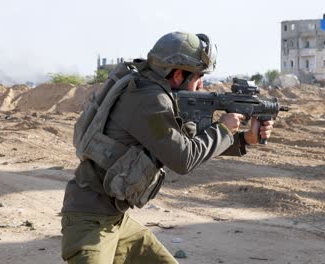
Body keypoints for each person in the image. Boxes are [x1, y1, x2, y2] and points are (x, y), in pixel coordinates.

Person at [61, 31, 275, 264]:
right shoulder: (150, 100)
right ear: (178, 74)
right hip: (90, 222)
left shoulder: (148, 90)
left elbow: (183, 142)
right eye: (198, 77)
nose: (201, 84)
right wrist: (223, 130)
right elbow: (183, 158)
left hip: (114, 219)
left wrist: (245, 140)